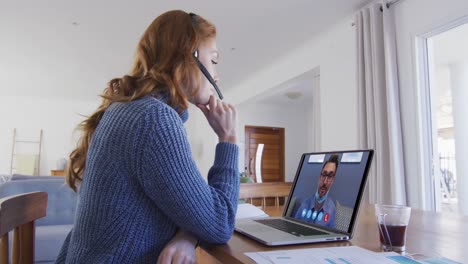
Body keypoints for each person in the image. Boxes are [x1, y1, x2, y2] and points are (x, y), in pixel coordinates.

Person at [56, 10, 239, 264]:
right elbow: (220, 223)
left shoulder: (131, 110)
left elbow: (187, 206)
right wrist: (228, 139)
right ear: (189, 56)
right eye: (214, 60)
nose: (216, 75)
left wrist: (187, 234)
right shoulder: (155, 121)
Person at [294, 154, 339, 228]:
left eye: (330, 176)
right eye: (324, 174)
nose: (325, 182)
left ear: (333, 180)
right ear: (319, 177)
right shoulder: (304, 203)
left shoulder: (332, 209)